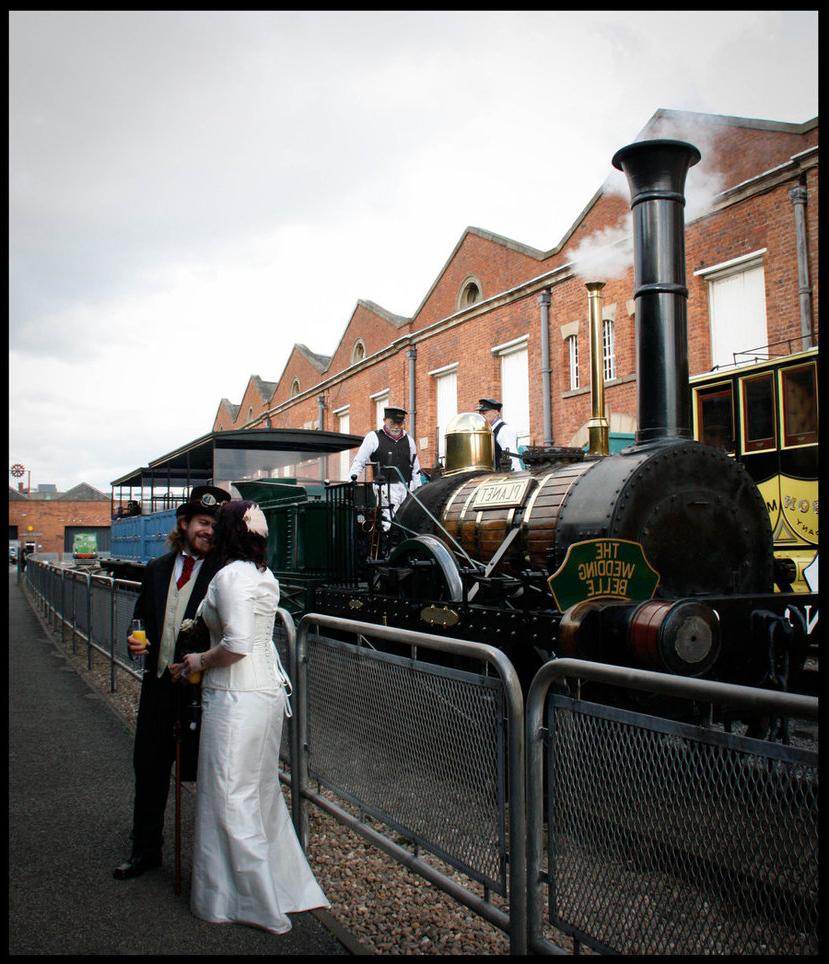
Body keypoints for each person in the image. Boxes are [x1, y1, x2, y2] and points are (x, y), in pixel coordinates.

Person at [174, 500, 329, 935]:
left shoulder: (230, 577)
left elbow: (237, 644)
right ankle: (280, 886)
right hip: (263, 693)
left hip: (235, 697)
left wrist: (197, 661)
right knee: (258, 793)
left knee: (229, 794)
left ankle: (252, 900)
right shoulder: (263, 575)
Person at [112, 484, 231, 880]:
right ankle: (145, 849)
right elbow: (139, 617)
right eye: (201, 522)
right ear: (183, 524)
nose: (208, 531)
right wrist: (133, 640)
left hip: (202, 692)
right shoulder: (157, 569)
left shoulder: (224, 574)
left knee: (208, 778)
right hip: (158, 686)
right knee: (148, 769)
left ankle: (211, 865)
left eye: (214, 524)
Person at [348, 406, 422, 530]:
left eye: (400, 423)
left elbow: (415, 467)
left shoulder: (409, 441)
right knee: (388, 522)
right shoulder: (373, 437)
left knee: (406, 521)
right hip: (384, 488)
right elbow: (359, 461)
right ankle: (388, 545)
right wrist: (351, 482)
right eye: (393, 422)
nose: (397, 426)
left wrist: (418, 489)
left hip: (406, 487)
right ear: (384, 420)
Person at [477, 398, 521, 471]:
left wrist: (515, 477)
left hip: (504, 477)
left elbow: (512, 457)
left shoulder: (504, 430)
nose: (481, 415)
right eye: (480, 413)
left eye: (484, 412)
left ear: (496, 412)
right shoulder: (490, 431)